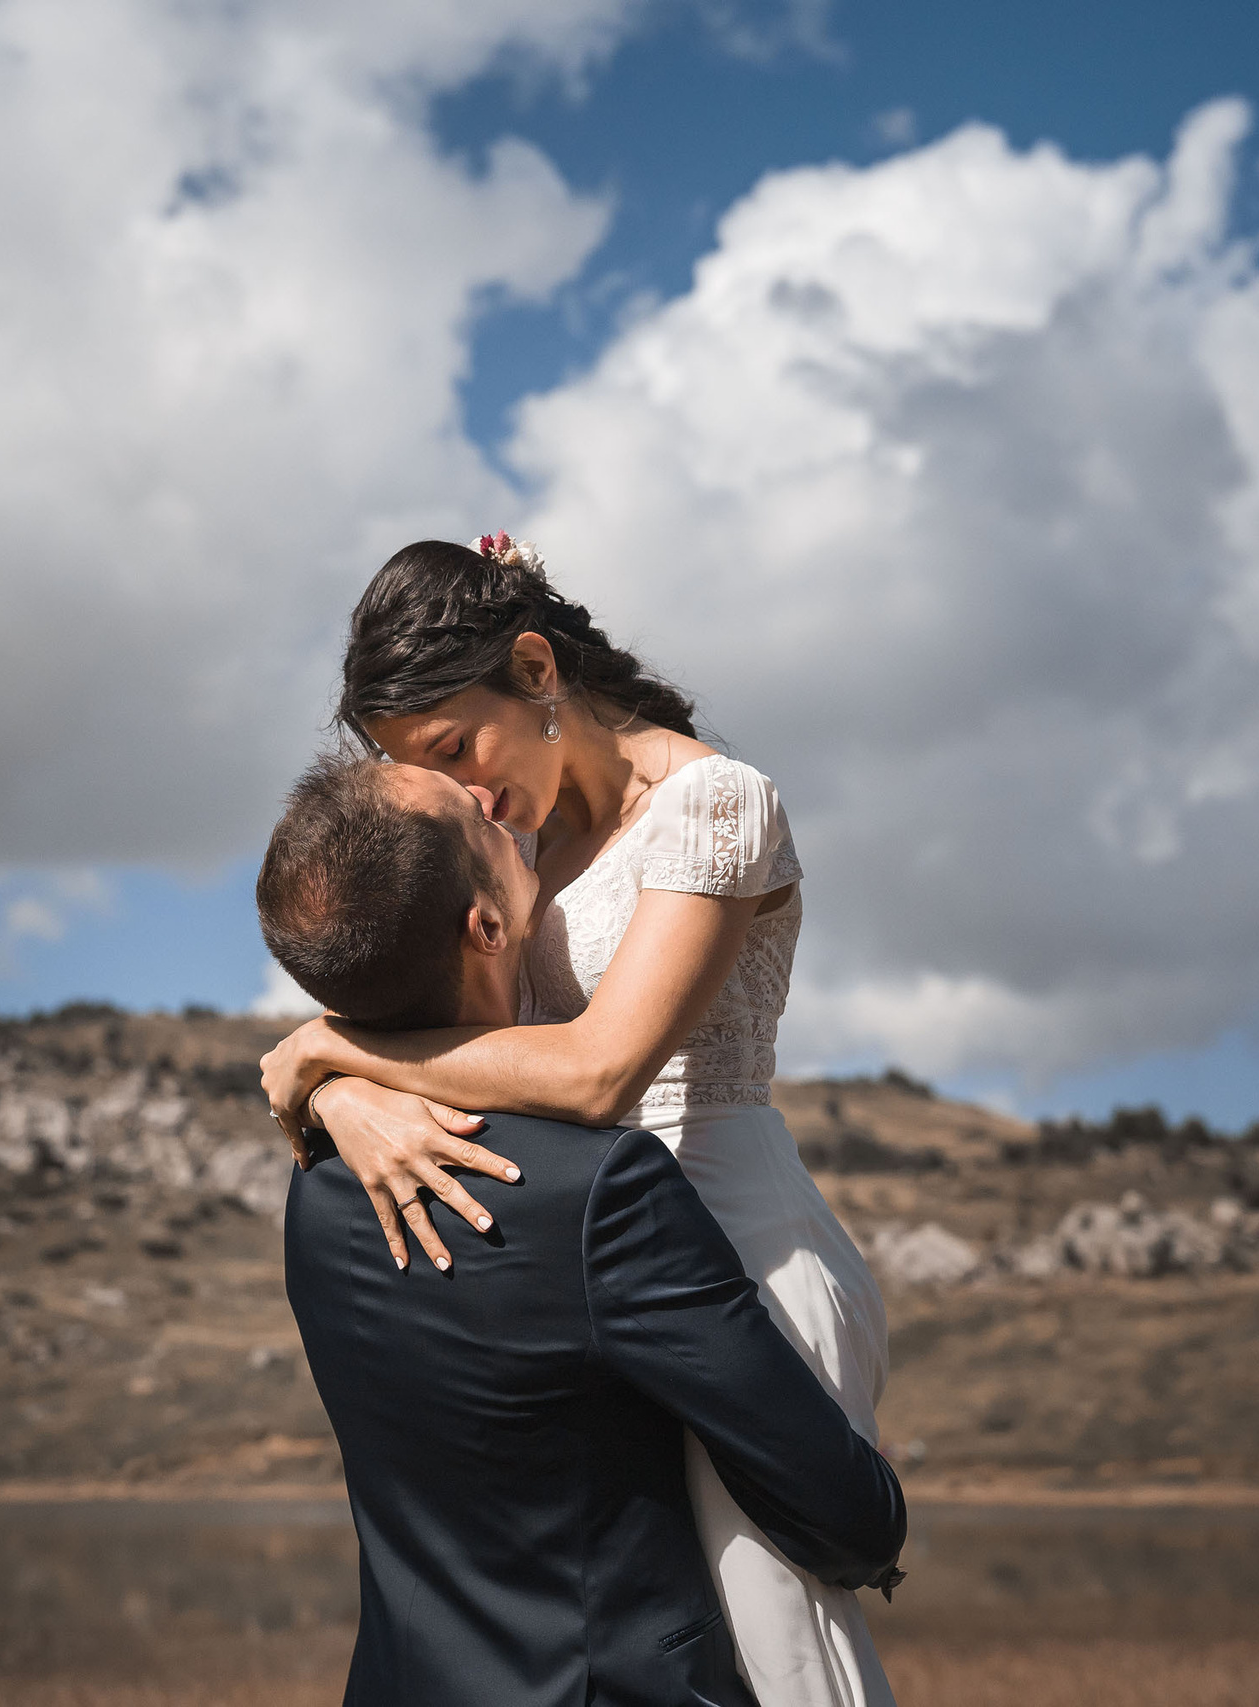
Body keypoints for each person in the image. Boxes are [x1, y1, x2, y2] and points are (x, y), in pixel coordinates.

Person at [261, 534, 898, 1706]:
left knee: (773, 1620)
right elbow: (421, 987)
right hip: (565, 1259)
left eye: (458, 748)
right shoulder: (507, 840)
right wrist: (345, 1094)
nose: (467, 793)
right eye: (431, 776)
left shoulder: (715, 805)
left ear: (538, 669)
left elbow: (603, 1074)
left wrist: (333, 1053)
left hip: (732, 1243)